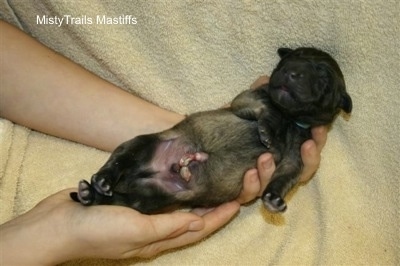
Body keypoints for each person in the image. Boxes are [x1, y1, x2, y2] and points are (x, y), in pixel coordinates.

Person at [0, 21, 327, 265]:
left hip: (189, 161)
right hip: (184, 143)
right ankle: (106, 182)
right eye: (292, 67)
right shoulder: (260, 98)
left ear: (338, 104)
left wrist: (277, 190)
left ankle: (103, 197)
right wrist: (61, 232)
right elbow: (246, 103)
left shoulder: (298, 139)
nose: (296, 76)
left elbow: (291, 166)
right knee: (133, 150)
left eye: (321, 81)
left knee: (151, 193)